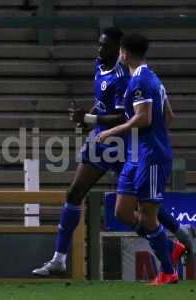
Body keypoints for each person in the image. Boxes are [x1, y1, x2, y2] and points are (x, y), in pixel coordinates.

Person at [32, 28, 192, 277]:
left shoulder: (127, 77)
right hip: (102, 140)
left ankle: (177, 238)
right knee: (75, 192)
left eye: (106, 46)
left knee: (139, 202)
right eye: (99, 44)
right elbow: (104, 102)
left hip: (121, 141)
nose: (100, 50)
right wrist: (88, 116)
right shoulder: (100, 65)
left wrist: (90, 119)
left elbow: (124, 115)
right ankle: (59, 260)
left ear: (121, 51)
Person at [97, 33, 183, 285]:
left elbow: (144, 118)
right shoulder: (149, 78)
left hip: (151, 157)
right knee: (122, 211)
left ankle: (167, 271)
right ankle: (169, 248)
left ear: (124, 52)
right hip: (138, 155)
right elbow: (169, 116)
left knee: (147, 216)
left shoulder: (141, 81)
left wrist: (111, 132)